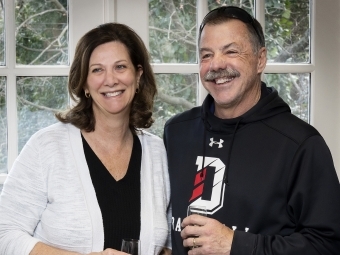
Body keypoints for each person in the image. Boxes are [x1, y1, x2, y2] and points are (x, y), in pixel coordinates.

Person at [163, 6, 340, 255]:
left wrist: (236, 245)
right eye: (206, 55)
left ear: (260, 59)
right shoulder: (176, 132)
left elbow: (328, 245)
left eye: (231, 51)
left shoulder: (301, 144)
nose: (216, 65)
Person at [0, 23, 171, 255]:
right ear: (85, 84)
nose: (110, 80)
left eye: (120, 67)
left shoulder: (157, 152)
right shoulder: (47, 147)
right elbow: (5, 233)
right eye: (97, 70)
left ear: (138, 75)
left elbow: (168, 241)